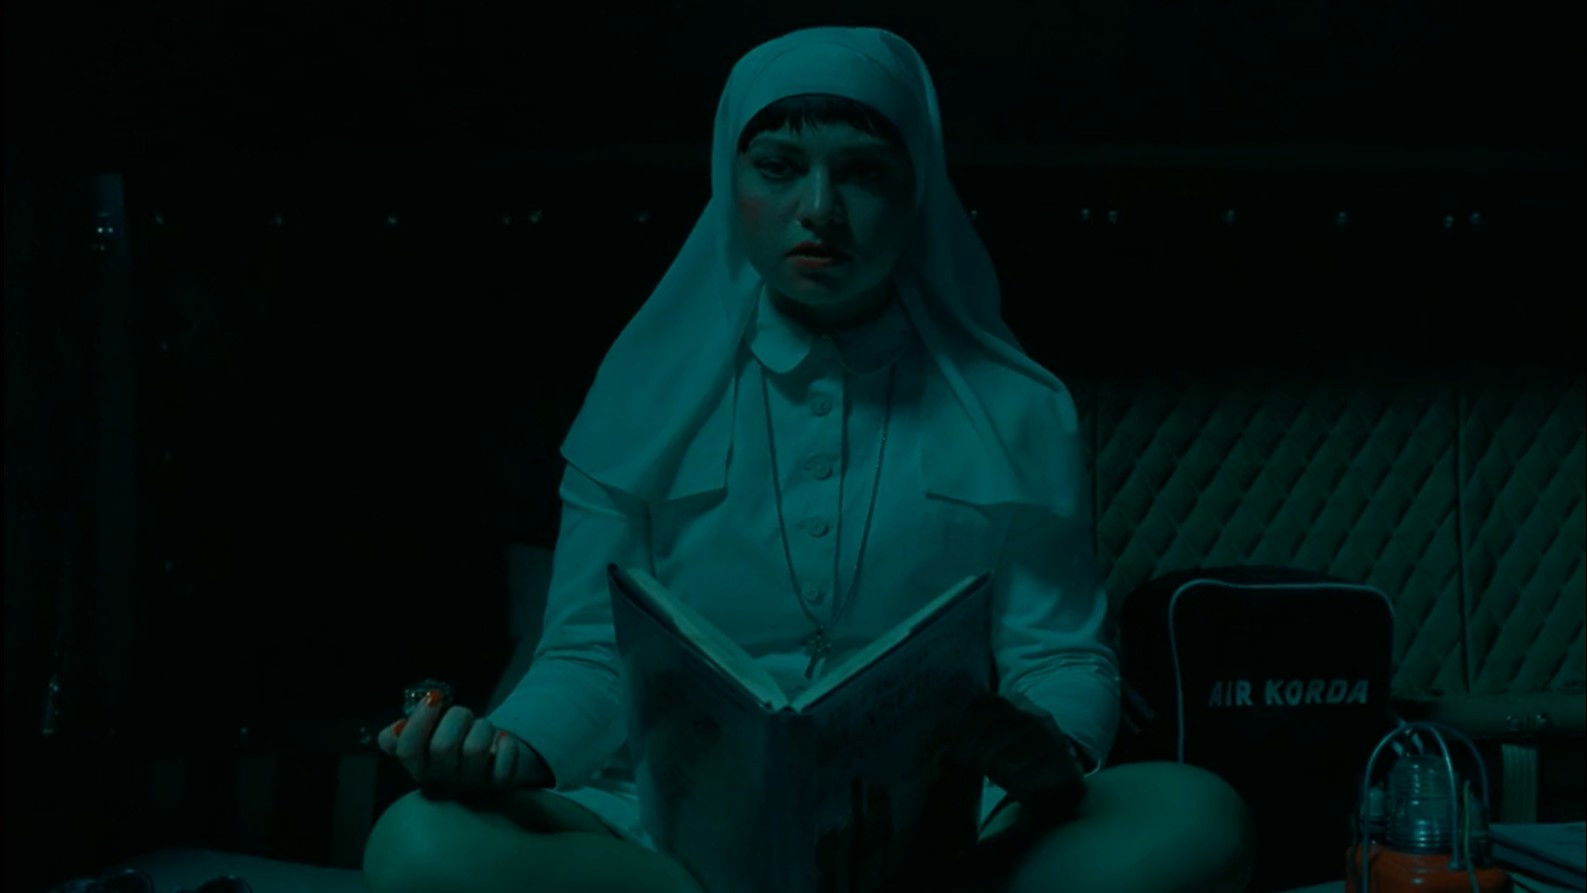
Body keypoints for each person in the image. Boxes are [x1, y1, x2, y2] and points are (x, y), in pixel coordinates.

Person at [361, 25, 1256, 893]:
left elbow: (1058, 654)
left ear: (916, 190)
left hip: (936, 835)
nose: (819, 209)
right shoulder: (642, 394)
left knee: (1195, 813)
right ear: (730, 181)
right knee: (418, 842)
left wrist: (1047, 747)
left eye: (862, 172)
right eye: (779, 167)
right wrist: (510, 746)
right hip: (668, 825)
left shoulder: (1015, 406)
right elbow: (591, 652)